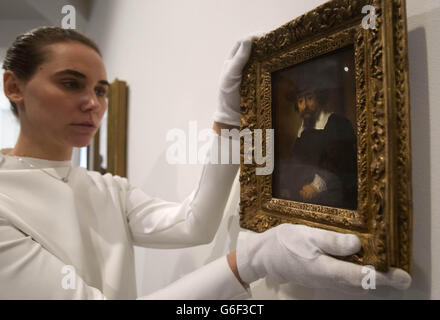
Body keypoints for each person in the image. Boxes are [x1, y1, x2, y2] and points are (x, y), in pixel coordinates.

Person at [0, 27, 410, 300]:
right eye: (70, 83)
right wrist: (253, 260)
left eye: (101, 90)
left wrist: (228, 122)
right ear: (13, 86)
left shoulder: (105, 187)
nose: (93, 104)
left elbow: (194, 222)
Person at [279, 75, 357, 210]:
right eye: (300, 101)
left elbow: (342, 164)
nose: (305, 106)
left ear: (319, 98)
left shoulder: (337, 123)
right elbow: (297, 163)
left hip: (334, 197)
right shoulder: (303, 130)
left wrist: (317, 185)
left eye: (309, 98)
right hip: (303, 196)